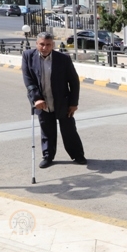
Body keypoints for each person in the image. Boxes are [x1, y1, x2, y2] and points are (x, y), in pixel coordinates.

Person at [22, 32, 86, 168]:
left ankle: (78, 155)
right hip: (42, 102)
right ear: (36, 44)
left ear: (53, 45)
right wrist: (36, 99)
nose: (45, 48)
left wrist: (74, 103)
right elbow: (28, 80)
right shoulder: (28, 56)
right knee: (47, 130)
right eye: (42, 44)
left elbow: (74, 82)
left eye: (48, 45)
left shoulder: (63, 59)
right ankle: (48, 156)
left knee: (69, 130)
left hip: (62, 102)